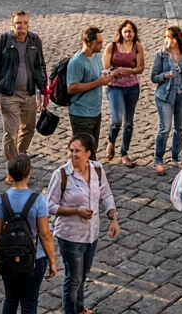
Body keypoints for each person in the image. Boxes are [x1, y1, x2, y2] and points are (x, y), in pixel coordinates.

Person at [48, 133, 119, 314]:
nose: (73, 154)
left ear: (88, 153)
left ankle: (79, 309)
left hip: (91, 234)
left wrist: (113, 218)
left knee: (82, 275)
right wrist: (75, 211)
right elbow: (50, 206)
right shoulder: (62, 175)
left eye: (77, 151)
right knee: (73, 278)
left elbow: (106, 194)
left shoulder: (97, 170)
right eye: (71, 150)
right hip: (70, 235)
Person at [0, 154, 57, 314]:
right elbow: (45, 234)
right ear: (30, 172)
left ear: (10, 176)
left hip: (7, 258)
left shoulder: (1, 199)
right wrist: (52, 260)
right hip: (34, 258)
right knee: (29, 301)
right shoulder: (39, 200)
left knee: (10, 299)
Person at [0, 11, 47, 160]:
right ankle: (13, 166)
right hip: (8, 94)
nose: (22, 26)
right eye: (18, 23)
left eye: (25, 23)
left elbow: (40, 66)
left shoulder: (34, 41)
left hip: (29, 93)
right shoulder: (3, 41)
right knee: (11, 132)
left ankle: (19, 156)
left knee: (29, 128)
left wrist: (44, 89)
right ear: (12, 24)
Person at [150, 25, 182, 174]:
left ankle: (175, 157)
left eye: (170, 37)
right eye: (166, 37)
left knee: (180, 129)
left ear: (177, 39)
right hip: (165, 96)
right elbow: (153, 77)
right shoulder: (160, 55)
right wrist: (164, 76)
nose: (167, 40)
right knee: (165, 128)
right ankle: (158, 159)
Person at [103, 20, 145, 166]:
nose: (128, 34)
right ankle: (111, 141)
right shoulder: (112, 46)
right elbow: (106, 67)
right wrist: (116, 71)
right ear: (120, 32)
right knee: (117, 120)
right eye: (126, 31)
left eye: (131, 31)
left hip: (132, 87)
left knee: (128, 122)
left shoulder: (137, 46)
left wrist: (126, 71)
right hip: (115, 86)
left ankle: (124, 152)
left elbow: (140, 68)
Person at [66, 26, 112, 147]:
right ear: (88, 43)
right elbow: (71, 88)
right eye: (99, 42)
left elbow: (99, 75)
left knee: (92, 149)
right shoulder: (77, 62)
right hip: (81, 113)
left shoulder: (96, 56)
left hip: (95, 111)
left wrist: (110, 75)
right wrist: (98, 83)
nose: (102, 45)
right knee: (82, 150)